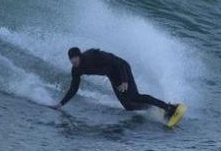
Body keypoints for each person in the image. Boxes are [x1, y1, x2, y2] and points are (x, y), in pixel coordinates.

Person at [53, 47, 181, 120]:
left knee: (134, 96)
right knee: (128, 106)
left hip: (122, 68)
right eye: (71, 59)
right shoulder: (76, 70)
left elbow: (118, 63)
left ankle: (169, 107)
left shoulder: (94, 55)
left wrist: (125, 81)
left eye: (75, 57)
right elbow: (73, 88)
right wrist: (61, 103)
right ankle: (153, 108)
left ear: (80, 56)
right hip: (112, 76)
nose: (73, 61)